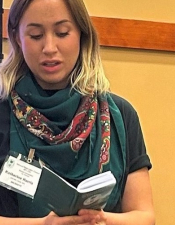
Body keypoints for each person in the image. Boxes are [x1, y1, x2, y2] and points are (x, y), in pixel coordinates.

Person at [0, 0, 155, 224]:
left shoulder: (119, 114)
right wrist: (46, 224)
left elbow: (144, 216)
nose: (49, 48)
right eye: (35, 35)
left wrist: (98, 219)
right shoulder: (4, 113)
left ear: (82, 35)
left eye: (62, 33)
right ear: (16, 38)